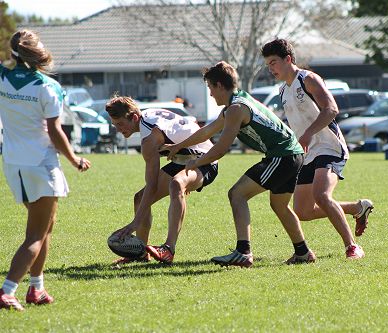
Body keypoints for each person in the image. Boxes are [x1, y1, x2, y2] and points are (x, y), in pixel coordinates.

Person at [163, 61, 315, 267]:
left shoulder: (236, 109)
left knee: (237, 194)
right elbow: (208, 131)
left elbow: (221, 148)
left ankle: (243, 252)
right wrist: (177, 146)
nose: (210, 95)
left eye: (210, 89)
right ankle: (303, 252)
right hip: (291, 154)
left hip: (282, 156)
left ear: (218, 86)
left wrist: (196, 163)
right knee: (279, 205)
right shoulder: (238, 102)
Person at [0, 30, 91, 311]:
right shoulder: (48, 86)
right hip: (41, 164)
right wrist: (75, 159)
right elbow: (55, 131)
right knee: (36, 234)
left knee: (46, 227)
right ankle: (7, 291)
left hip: (13, 163)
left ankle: (36, 289)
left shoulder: (2, 77)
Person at [261, 39, 370, 260]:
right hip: (307, 154)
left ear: (288, 59)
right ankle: (357, 207)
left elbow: (331, 109)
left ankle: (352, 247)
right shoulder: (283, 91)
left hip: (329, 147)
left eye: (273, 62)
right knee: (303, 211)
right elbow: (295, 126)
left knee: (322, 195)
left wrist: (309, 133)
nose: (271, 68)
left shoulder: (308, 79)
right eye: (268, 65)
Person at [106, 96, 218, 265]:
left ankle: (168, 249)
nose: (119, 130)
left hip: (205, 159)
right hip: (182, 159)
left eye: (120, 124)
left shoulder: (149, 139)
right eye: (115, 125)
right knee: (140, 198)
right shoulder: (146, 119)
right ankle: (141, 253)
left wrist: (135, 223)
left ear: (134, 117)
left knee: (176, 184)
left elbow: (152, 184)